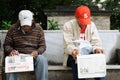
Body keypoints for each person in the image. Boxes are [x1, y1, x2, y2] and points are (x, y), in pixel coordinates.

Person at [62, 5, 104, 80]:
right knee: (77, 62)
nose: (84, 24)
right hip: (72, 55)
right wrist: (73, 51)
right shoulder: (68, 25)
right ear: (76, 18)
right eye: (81, 21)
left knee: (98, 64)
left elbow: (96, 41)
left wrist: (97, 49)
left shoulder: (92, 25)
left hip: (88, 54)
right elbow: (67, 44)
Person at [3, 10, 48, 80]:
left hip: (33, 57)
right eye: (23, 25)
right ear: (19, 21)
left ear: (32, 20)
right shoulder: (13, 29)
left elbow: (43, 46)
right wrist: (11, 51)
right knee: (11, 60)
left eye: (27, 25)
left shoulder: (38, 29)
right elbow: (7, 45)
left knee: (42, 59)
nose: (26, 27)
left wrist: (37, 52)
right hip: (18, 57)